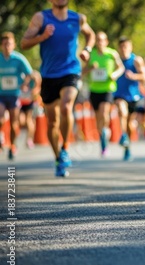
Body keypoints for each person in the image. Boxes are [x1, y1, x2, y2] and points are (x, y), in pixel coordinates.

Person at [21, 0, 95, 177]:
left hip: (71, 71)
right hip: (48, 75)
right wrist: (42, 37)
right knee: (52, 121)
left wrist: (87, 49)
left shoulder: (78, 18)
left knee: (66, 106)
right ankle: (57, 158)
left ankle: (65, 148)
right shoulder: (41, 18)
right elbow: (24, 43)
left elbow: (90, 35)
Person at [82, 31, 124, 156]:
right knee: (98, 117)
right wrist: (90, 68)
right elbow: (82, 71)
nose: (100, 42)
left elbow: (121, 68)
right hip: (94, 89)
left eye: (102, 40)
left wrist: (114, 75)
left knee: (104, 112)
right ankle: (103, 139)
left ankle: (105, 130)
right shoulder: (91, 55)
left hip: (108, 88)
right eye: (98, 40)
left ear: (106, 42)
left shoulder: (112, 54)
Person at [114, 36, 145, 161]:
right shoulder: (116, 60)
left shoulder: (136, 60)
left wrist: (134, 76)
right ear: (118, 48)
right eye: (121, 47)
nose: (124, 49)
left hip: (133, 95)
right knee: (122, 111)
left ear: (130, 47)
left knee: (129, 123)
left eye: (126, 46)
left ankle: (127, 148)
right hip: (119, 94)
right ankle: (123, 135)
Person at [0, 31, 33, 160]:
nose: (7, 46)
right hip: (1, 94)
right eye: (4, 44)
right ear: (2, 45)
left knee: (14, 123)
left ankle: (12, 145)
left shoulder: (19, 59)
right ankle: (1, 136)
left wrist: (25, 84)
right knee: (1, 117)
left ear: (13, 45)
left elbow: (30, 74)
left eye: (9, 44)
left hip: (14, 95)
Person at [19, 69, 41, 150]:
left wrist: (34, 91)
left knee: (30, 120)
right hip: (21, 103)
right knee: (22, 121)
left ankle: (29, 139)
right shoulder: (22, 77)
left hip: (31, 102)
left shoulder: (35, 77)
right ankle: (28, 138)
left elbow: (37, 88)